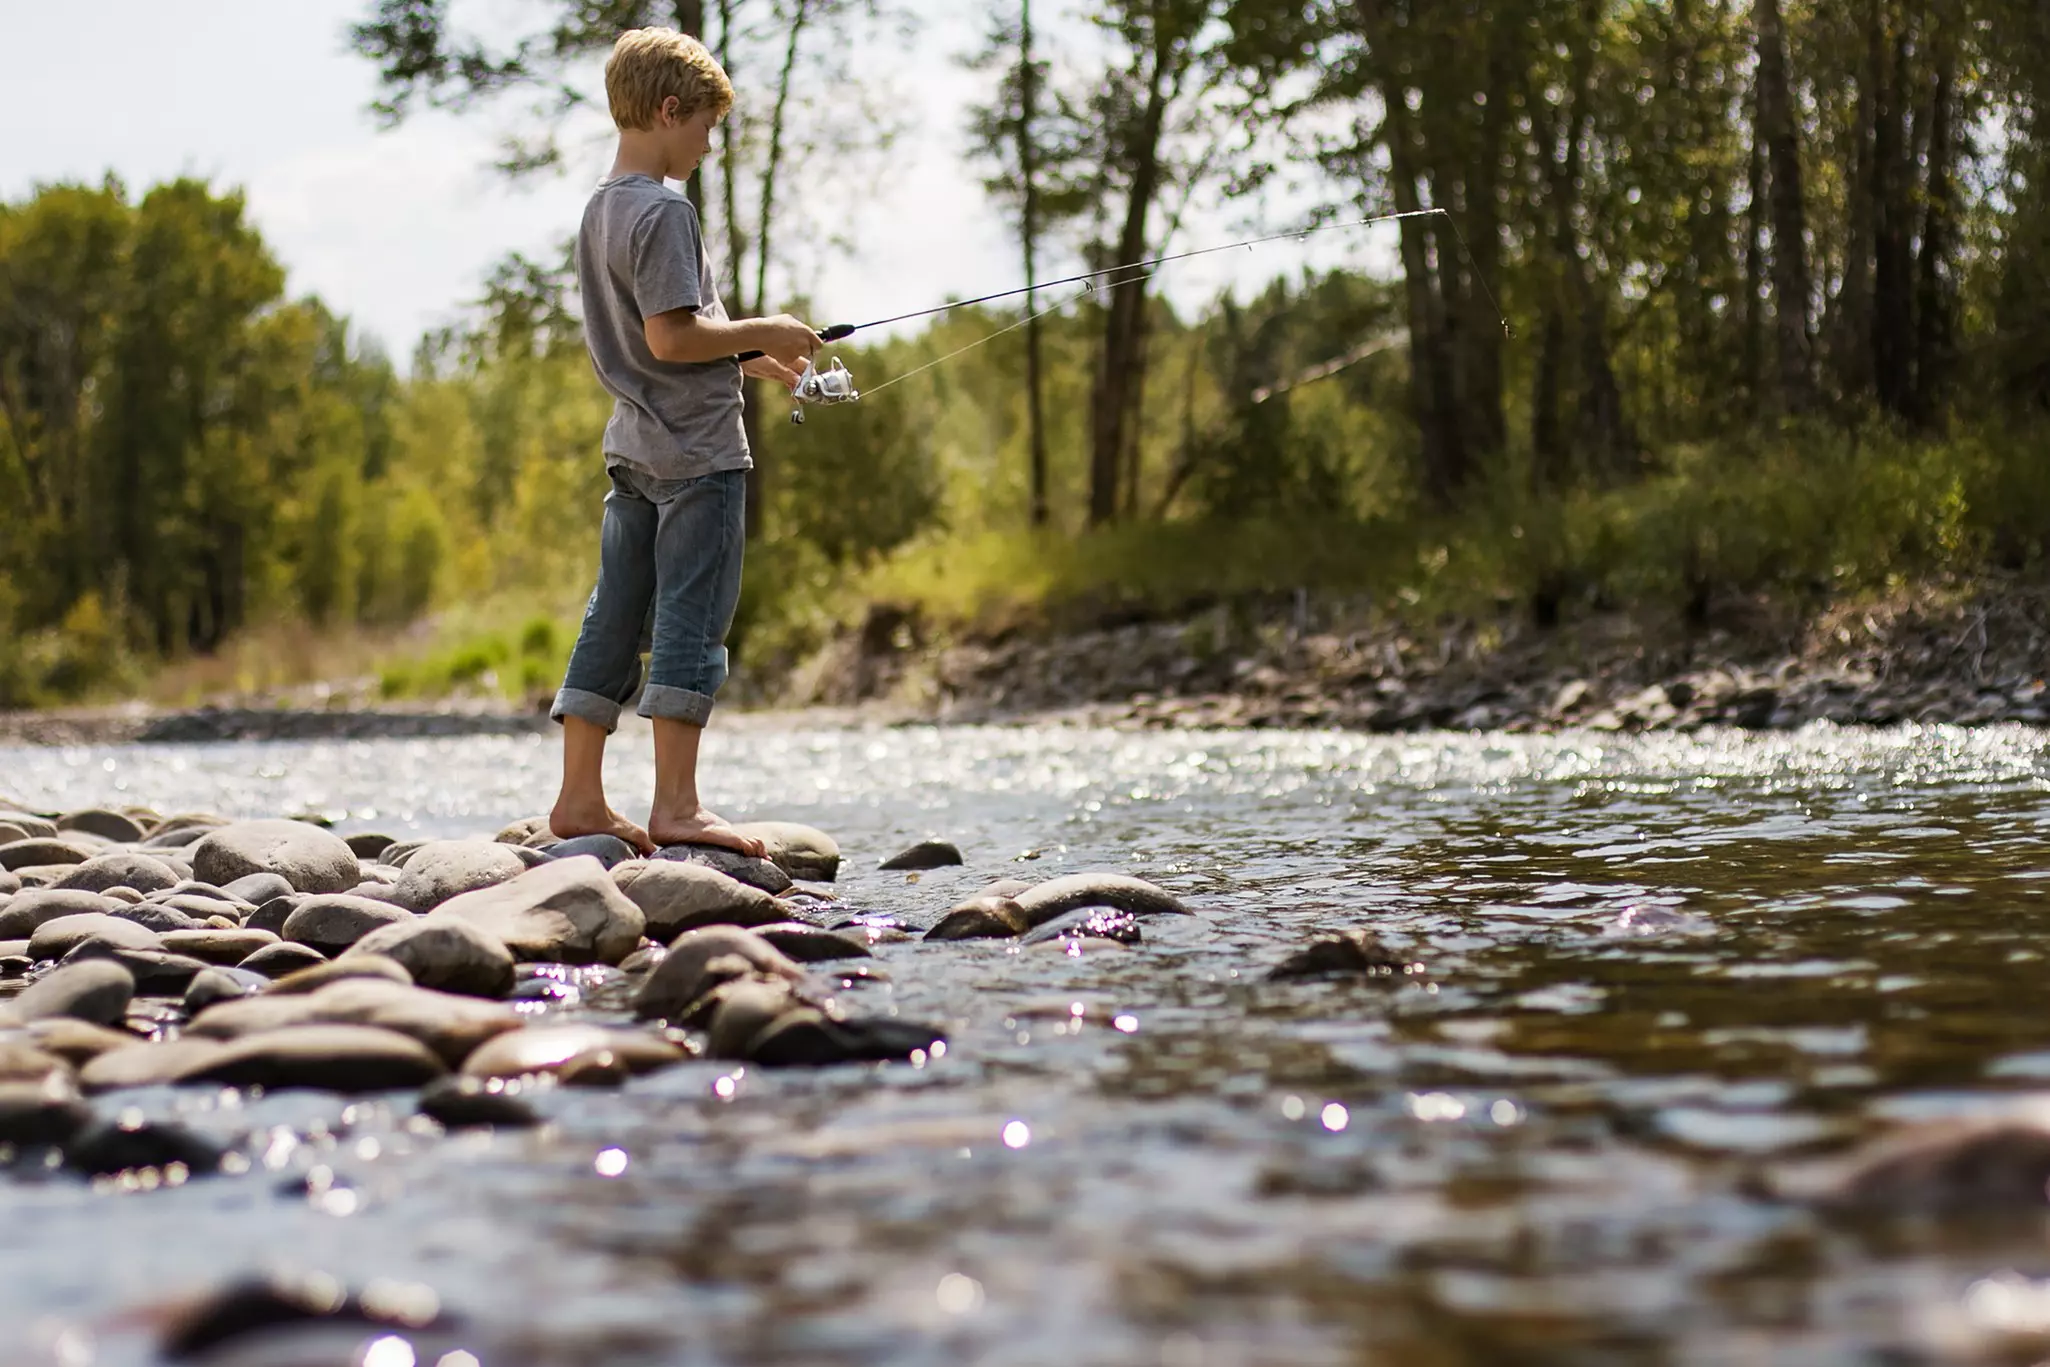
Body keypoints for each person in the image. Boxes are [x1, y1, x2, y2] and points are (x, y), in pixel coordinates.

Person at [547, 26, 819, 857]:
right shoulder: (665, 209)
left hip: (633, 448)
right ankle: (678, 806)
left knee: (613, 616)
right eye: (703, 125)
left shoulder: (601, 208)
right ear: (669, 110)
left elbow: (657, 339)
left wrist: (747, 355)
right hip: (698, 456)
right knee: (690, 624)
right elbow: (671, 336)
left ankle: (579, 799)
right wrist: (766, 324)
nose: (706, 144)